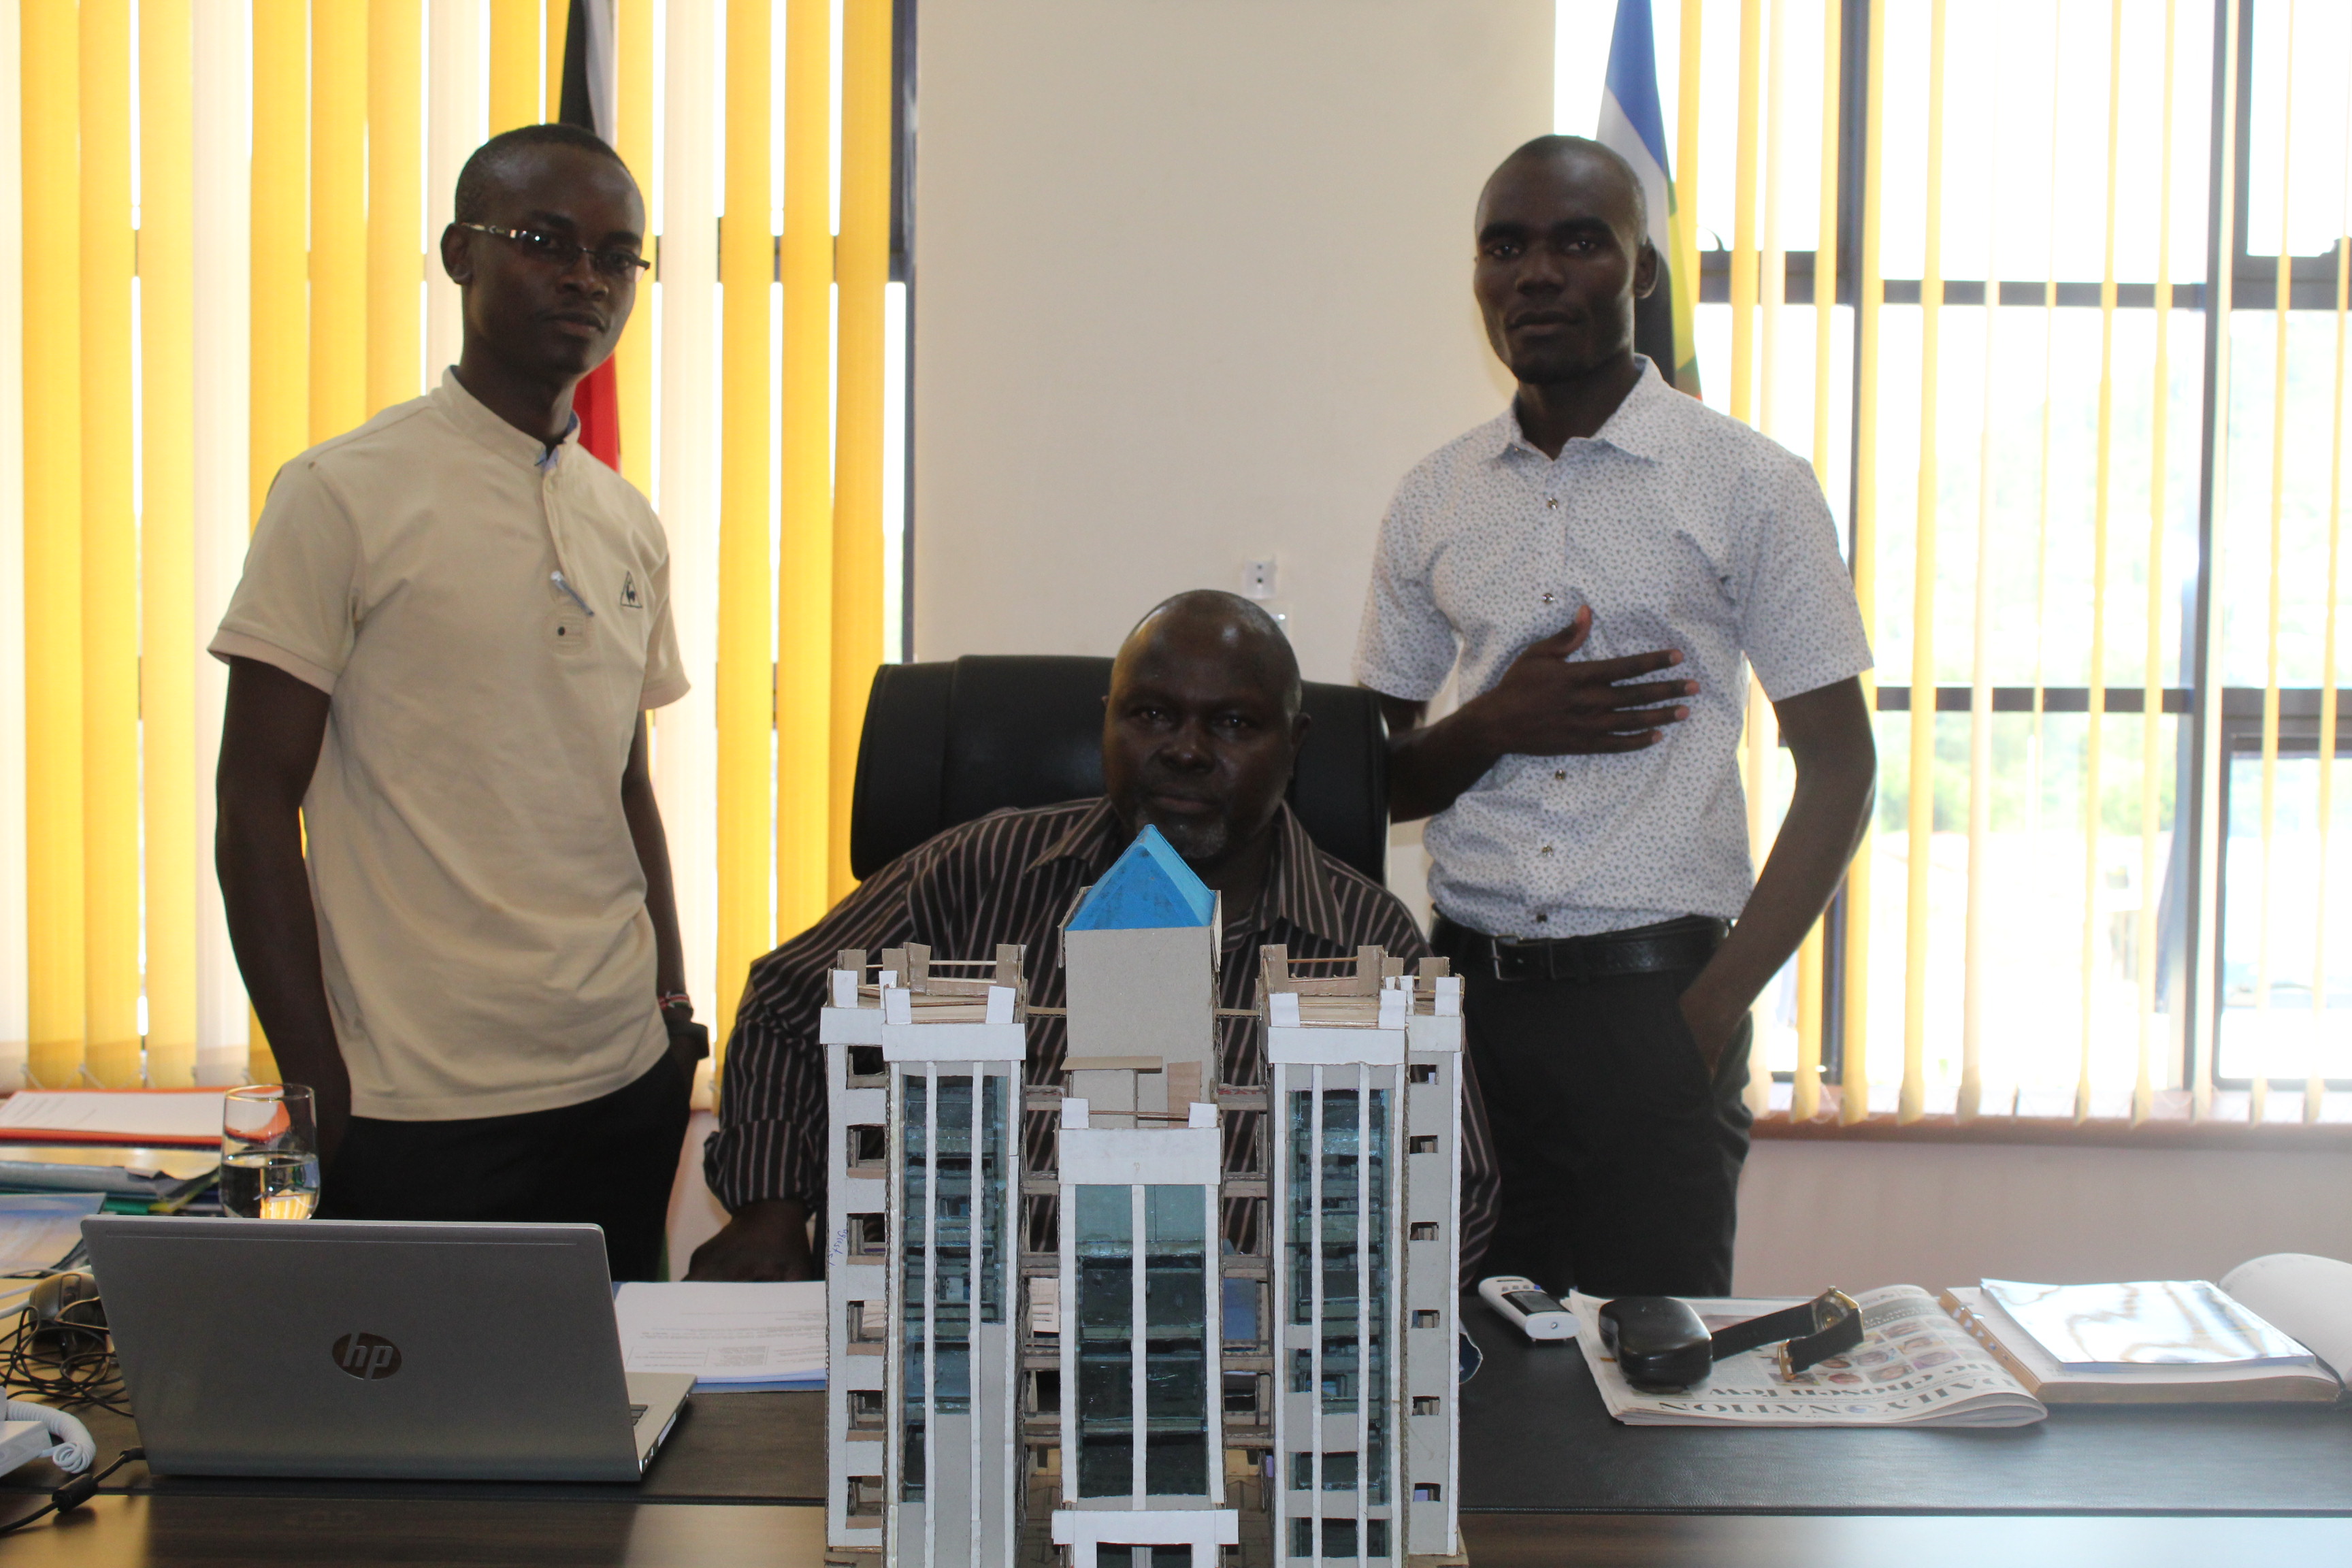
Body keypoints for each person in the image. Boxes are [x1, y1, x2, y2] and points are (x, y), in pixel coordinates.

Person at [1352, 135, 1876, 1298]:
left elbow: (1840, 770)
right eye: (1505, 246)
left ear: (1641, 272)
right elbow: (1359, 778)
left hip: (1658, 999)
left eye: (1578, 241)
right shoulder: (1433, 496)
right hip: (1467, 1005)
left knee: (1652, 1403)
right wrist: (1490, 723)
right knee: (1463, 1379)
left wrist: (1705, 1013)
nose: (1536, 272)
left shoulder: (1750, 482)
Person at [212, 125, 700, 1281]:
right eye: (545, 241)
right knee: (410, 1447)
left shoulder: (625, 518)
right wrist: (315, 1078)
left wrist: (672, 1006)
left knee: (604, 1436)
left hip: (621, 1077)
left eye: (618, 256)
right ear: (458, 255)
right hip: (415, 1104)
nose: (585, 277)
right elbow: (252, 803)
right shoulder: (342, 493)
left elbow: (621, 782)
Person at [691, 590, 1499, 1281]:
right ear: (1105, 724)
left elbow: (1457, 1189)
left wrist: (1322, 1320)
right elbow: (789, 1002)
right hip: (966, 1341)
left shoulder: (1368, 943)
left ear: (1294, 748)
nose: (1185, 750)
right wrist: (770, 1212)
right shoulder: (984, 869)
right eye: (1151, 715)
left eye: (1232, 723)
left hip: (1238, 1368)